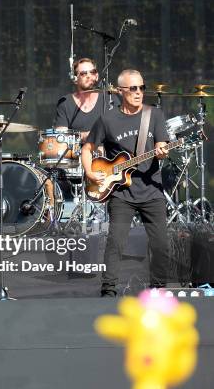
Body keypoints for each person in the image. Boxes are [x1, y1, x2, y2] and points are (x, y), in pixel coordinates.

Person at [82, 69, 170, 297]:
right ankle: (108, 290)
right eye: (133, 88)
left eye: (142, 87)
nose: (139, 92)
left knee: (161, 244)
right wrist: (91, 173)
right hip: (121, 192)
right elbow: (87, 148)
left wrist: (161, 152)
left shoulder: (155, 115)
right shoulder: (108, 119)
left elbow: (161, 146)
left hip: (152, 190)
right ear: (120, 91)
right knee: (115, 243)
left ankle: (158, 290)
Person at [55, 57, 107, 142]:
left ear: (97, 76)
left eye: (92, 72)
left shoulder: (109, 99)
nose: (89, 76)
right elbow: (60, 136)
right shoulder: (65, 103)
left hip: (107, 154)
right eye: (83, 73)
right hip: (78, 153)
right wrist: (83, 136)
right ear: (75, 79)